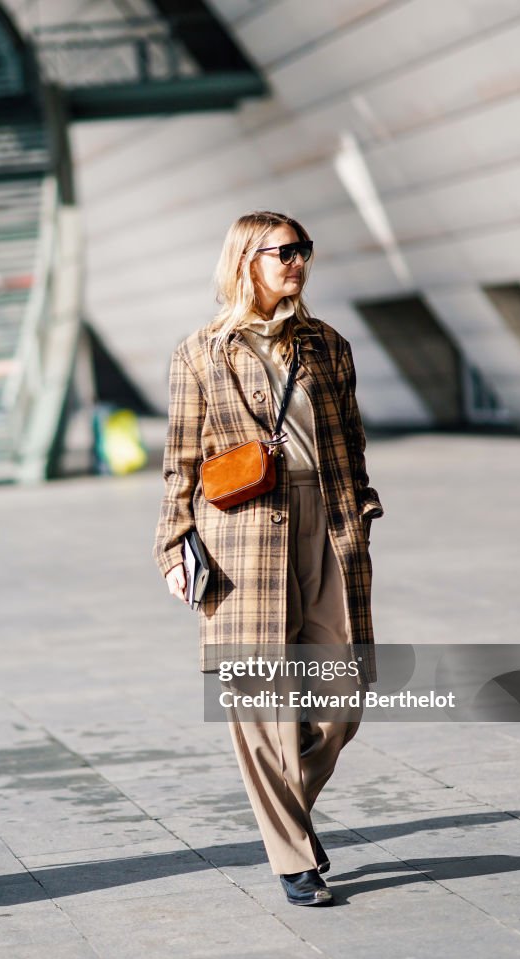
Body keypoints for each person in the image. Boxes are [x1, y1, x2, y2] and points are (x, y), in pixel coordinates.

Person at [153, 210, 384, 906]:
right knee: (258, 700)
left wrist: (363, 511)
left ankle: (287, 817)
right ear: (244, 261)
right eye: (281, 251)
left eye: (302, 250)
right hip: (238, 534)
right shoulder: (198, 353)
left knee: (344, 698)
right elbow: (179, 463)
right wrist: (171, 544)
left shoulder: (327, 345)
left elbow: (351, 441)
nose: (296, 262)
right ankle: (292, 858)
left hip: (328, 526)